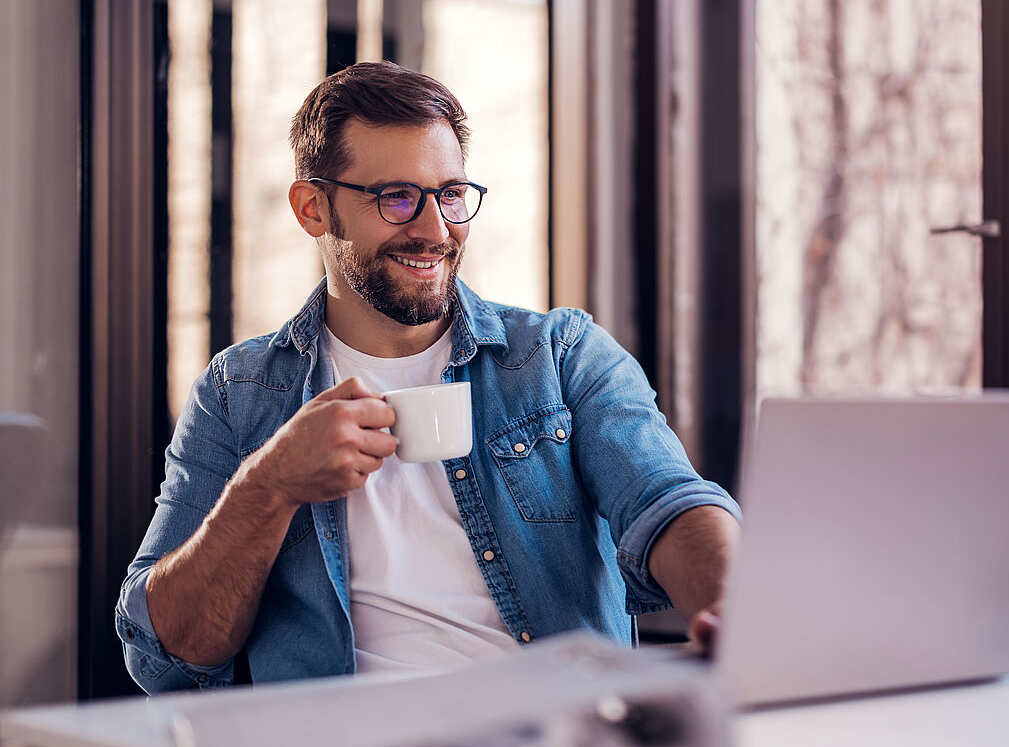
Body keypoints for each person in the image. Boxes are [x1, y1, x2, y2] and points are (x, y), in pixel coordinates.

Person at [116, 61, 742, 693]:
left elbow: (668, 503)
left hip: (551, 727)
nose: (434, 228)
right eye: (396, 197)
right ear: (313, 209)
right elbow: (169, 655)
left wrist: (734, 609)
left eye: (448, 193)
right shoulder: (238, 393)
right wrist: (269, 485)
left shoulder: (559, 356)